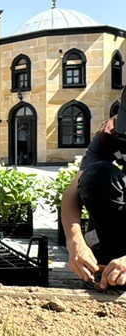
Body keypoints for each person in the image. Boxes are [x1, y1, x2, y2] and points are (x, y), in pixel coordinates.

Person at [61, 87, 126, 290]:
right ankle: (113, 261)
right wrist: (75, 243)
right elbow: (73, 192)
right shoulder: (112, 132)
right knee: (97, 175)